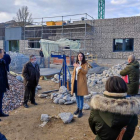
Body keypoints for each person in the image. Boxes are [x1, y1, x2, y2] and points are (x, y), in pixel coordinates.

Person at [71, 52, 88, 118]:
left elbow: (85, 72)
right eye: (79, 56)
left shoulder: (85, 64)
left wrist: (80, 67)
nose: (80, 57)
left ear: (83, 57)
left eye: (81, 56)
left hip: (81, 83)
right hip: (75, 82)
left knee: (81, 97)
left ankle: (81, 110)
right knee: (76, 96)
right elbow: (74, 72)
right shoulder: (76, 63)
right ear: (77, 57)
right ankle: (78, 108)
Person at [0, 49, 9, 119]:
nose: (4, 54)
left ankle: (0, 112)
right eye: (3, 52)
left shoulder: (2, 62)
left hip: (2, 84)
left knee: (0, 99)